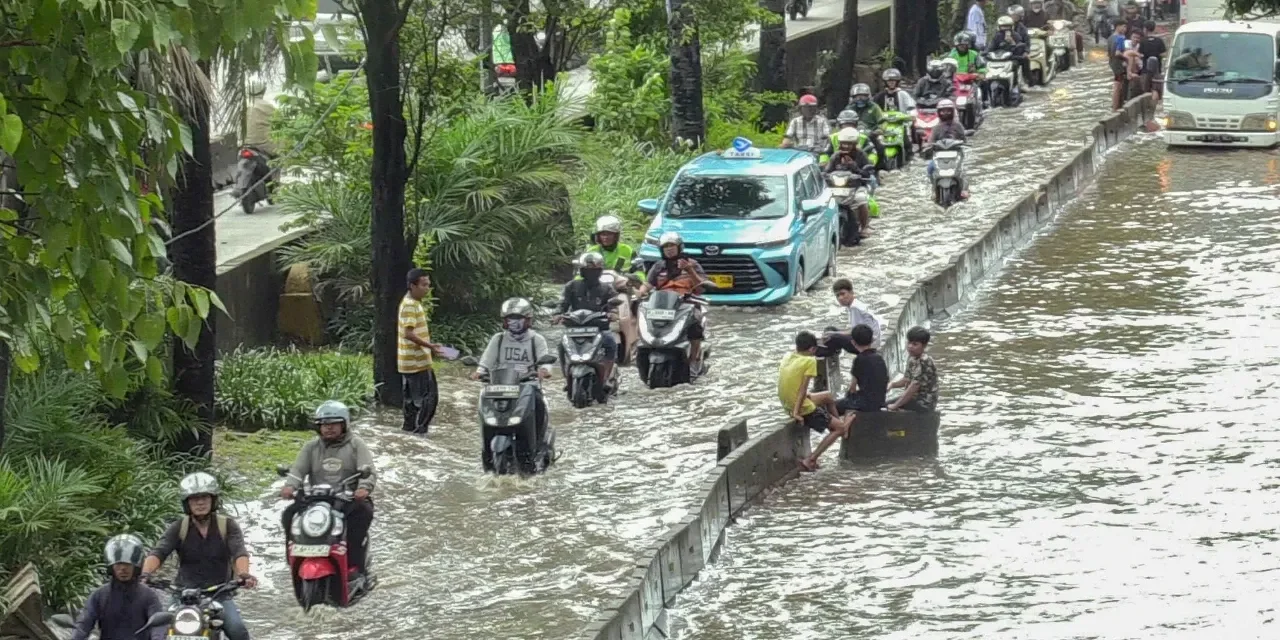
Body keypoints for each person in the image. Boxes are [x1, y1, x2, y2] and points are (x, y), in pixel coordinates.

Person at [142, 473, 256, 640]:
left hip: (219, 593)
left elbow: (239, 552)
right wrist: (144, 574)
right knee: (159, 631)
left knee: (237, 630)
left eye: (204, 497)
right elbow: (159, 552)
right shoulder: (179, 527)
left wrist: (244, 574)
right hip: (183, 594)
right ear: (187, 503)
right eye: (194, 498)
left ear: (213, 500)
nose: (200, 502)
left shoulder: (227, 525)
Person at [279, 401, 377, 581]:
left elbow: (367, 470)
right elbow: (298, 471)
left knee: (363, 513)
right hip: (315, 499)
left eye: (334, 424)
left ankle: (355, 566)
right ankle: (294, 559)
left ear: (344, 424)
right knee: (289, 515)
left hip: (348, 499)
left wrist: (363, 488)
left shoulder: (356, 444)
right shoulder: (311, 447)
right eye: (324, 424)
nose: (328, 428)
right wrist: (290, 486)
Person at [473, 298, 555, 450]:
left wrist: (544, 370)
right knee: (486, 408)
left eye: (518, 318)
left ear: (528, 320)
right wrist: (479, 372)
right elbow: (486, 361)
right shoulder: (498, 339)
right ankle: (487, 449)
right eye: (510, 318)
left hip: (527, 386)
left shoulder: (536, 339)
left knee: (538, 402)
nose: (514, 322)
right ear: (504, 321)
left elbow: (545, 361)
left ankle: (537, 444)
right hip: (500, 387)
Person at [780, 331, 855, 472]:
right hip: (801, 406)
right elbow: (802, 389)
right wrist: (796, 413)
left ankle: (836, 427)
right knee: (839, 427)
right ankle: (811, 459)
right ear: (812, 349)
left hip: (788, 402)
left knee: (828, 396)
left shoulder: (788, 356)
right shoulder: (810, 361)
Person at [636, 231, 709, 374]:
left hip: (686, 303)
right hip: (662, 305)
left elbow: (701, 288)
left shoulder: (692, 264)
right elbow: (648, 285)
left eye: (672, 246)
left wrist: (689, 270)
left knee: (695, 326)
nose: (669, 249)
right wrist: (640, 292)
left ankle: (694, 359)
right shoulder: (658, 266)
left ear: (679, 247)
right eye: (665, 247)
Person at [70, 535, 165, 640]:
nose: (123, 569)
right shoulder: (100, 595)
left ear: (136, 566)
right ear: (111, 566)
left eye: (127, 564)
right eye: (118, 564)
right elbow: (84, 624)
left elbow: (158, 626)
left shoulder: (148, 596)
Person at [555, 251, 619, 394]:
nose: (590, 273)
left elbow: (613, 304)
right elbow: (562, 303)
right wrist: (557, 314)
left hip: (599, 328)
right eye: (587, 270)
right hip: (574, 329)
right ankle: (567, 379)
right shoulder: (571, 286)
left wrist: (612, 313)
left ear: (600, 271)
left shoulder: (606, 288)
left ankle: (607, 377)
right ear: (581, 270)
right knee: (560, 345)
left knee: (611, 343)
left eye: (594, 270)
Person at [399, 268, 445, 434]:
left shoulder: (410, 302)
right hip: (417, 361)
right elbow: (408, 333)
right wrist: (430, 346)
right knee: (429, 399)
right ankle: (420, 432)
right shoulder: (411, 305)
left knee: (411, 401)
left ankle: (408, 431)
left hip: (408, 361)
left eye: (428, 285)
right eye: (424, 285)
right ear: (413, 285)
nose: (427, 288)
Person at [825, 129, 875, 242]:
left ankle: (864, 227)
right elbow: (827, 171)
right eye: (844, 143)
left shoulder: (861, 154)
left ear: (855, 144)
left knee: (861, 199)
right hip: (837, 188)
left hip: (856, 186)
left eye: (849, 144)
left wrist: (855, 167)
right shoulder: (836, 156)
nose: (846, 146)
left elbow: (867, 173)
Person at [836, 324, 890, 414]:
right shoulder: (879, 357)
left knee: (835, 406)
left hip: (866, 404)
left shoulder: (859, 359)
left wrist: (848, 398)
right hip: (880, 400)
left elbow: (852, 387)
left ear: (853, 342)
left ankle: (842, 426)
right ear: (872, 340)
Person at [887, 326, 939, 412]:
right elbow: (906, 380)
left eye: (915, 344)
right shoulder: (912, 358)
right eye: (909, 343)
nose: (910, 346)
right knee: (885, 405)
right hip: (913, 400)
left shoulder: (924, 362)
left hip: (924, 402)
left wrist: (895, 405)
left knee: (888, 408)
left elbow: (913, 387)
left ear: (924, 346)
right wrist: (892, 385)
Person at [925, 100, 969, 199]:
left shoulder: (958, 126)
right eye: (943, 111)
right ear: (939, 112)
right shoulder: (936, 128)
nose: (945, 113)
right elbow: (931, 141)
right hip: (939, 155)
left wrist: (962, 143)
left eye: (948, 111)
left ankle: (964, 189)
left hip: (956, 154)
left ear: (952, 112)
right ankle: (934, 189)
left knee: (962, 170)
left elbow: (964, 139)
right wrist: (928, 147)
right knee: (930, 169)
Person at [823, 278, 883, 352]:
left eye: (843, 294)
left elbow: (854, 332)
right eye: (837, 295)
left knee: (831, 337)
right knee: (831, 330)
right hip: (866, 339)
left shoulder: (855, 308)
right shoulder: (855, 304)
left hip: (867, 345)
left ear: (851, 292)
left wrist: (834, 334)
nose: (840, 298)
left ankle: (829, 355)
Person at [845, 83, 888, 170]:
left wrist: (879, 130)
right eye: (857, 96)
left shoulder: (874, 107)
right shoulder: (849, 108)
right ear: (852, 97)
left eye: (863, 96)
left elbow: (882, 121)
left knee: (881, 146)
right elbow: (843, 120)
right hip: (852, 135)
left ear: (868, 96)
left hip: (871, 134)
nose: (860, 99)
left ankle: (881, 166)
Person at [243, 79, 276, 157]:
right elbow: (280, 121)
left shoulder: (246, 106)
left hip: (247, 144)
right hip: (264, 146)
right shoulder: (267, 106)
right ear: (263, 91)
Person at [1138, 19, 1166, 100]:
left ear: (1145, 29)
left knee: (1145, 91)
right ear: (1154, 29)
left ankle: (1148, 106)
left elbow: (1140, 54)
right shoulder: (1159, 41)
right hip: (1157, 70)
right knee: (1156, 89)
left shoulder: (1143, 41)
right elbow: (1163, 54)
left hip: (1145, 71)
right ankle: (1155, 105)